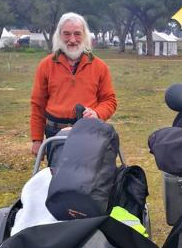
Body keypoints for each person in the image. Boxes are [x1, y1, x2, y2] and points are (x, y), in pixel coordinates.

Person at [30, 12, 117, 158]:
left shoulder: (100, 66)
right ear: (59, 36)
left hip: (88, 132)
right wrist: (37, 139)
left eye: (77, 34)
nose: (72, 40)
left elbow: (110, 101)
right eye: (66, 34)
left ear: (85, 36)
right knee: (58, 177)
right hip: (55, 135)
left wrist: (97, 113)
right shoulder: (46, 65)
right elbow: (38, 104)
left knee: (90, 177)